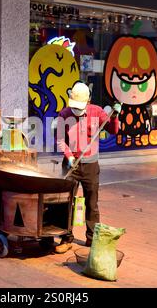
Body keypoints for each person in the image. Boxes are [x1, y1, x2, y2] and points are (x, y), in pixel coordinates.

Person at [55, 82, 121, 254]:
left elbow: (113, 130)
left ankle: (92, 239)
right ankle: (66, 237)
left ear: (88, 100)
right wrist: (69, 155)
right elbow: (60, 140)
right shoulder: (64, 114)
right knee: (66, 202)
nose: (77, 111)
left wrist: (114, 117)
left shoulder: (97, 112)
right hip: (71, 164)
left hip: (91, 165)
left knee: (92, 203)